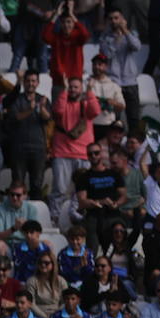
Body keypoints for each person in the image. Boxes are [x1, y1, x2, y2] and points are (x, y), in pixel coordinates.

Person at [51, 78, 99, 228]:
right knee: (59, 190)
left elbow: (96, 111)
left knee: (84, 192)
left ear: (81, 89)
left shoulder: (86, 105)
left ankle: (81, 220)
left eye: (76, 87)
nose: (73, 90)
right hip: (62, 153)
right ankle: (55, 220)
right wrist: (64, 90)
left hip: (84, 154)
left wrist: (90, 91)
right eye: (71, 87)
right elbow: (58, 111)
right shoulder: (62, 102)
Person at [4, 72, 52, 202]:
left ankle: (35, 215)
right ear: (24, 82)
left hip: (38, 148)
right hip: (19, 148)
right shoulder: (16, 99)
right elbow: (15, 118)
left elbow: (48, 118)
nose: (31, 83)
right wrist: (30, 110)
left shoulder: (43, 99)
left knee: (37, 184)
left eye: (33, 81)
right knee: (18, 183)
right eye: (28, 81)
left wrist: (41, 108)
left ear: (38, 83)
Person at [74, 144, 127, 255]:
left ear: (101, 154)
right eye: (90, 154)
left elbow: (124, 196)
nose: (93, 156)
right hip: (94, 216)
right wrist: (100, 202)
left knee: (119, 235)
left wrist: (116, 203)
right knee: (91, 247)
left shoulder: (114, 174)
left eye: (96, 153)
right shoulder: (84, 177)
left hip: (113, 214)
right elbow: (82, 202)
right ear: (87, 156)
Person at [0, 184, 39, 258]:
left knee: (47, 244)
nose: (14, 198)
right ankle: (2, 268)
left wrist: (25, 229)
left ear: (25, 196)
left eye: (18, 195)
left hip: (26, 243)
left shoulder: (31, 209)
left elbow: (35, 234)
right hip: (7, 244)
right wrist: (14, 228)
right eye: (12, 194)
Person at [25, 250, 68, 318]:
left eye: (46, 263)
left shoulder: (61, 281)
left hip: (57, 315)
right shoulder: (32, 281)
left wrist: (56, 316)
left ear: (53, 264)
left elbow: (65, 301)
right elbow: (31, 303)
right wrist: (45, 316)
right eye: (40, 262)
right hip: (38, 316)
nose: (43, 265)